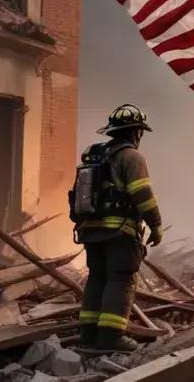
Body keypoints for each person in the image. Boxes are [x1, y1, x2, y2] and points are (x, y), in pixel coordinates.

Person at [73, 104, 163, 352]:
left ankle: (88, 335)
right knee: (120, 280)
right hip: (119, 232)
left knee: (97, 278)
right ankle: (111, 337)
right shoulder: (131, 157)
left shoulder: (94, 154)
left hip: (90, 229)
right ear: (136, 132)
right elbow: (142, 194)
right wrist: (155, 225)